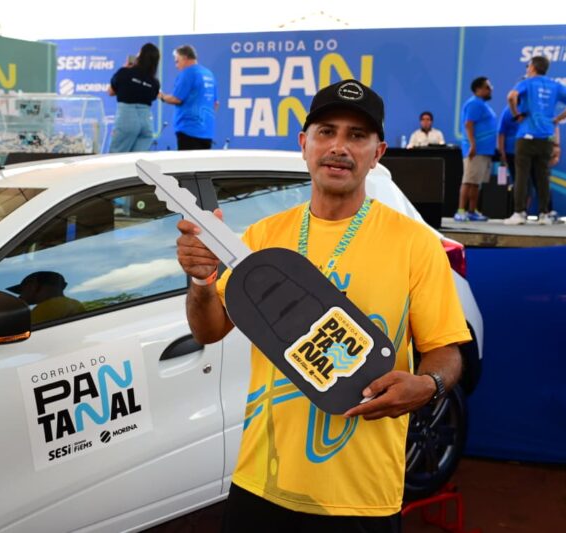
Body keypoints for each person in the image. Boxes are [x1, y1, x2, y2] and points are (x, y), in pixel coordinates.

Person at [175, 79, 471, 532]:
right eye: (326, 131)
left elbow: (447, 349)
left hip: (362, 497)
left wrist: (427, 386)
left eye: (357, 136)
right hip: (261, 482)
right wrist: (200, 281)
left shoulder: (415, 244)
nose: (339, 147)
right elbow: (209, 329)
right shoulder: (262, 237)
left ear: (378, 153)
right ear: (304, 144)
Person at [503, 55, 566, 226]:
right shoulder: (555, 85)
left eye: (527, 66)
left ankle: (519, 213)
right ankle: (544, 214)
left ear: (532, 67)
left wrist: (516, 114)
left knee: (522, 177)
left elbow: (511, 96)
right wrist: (558, 118)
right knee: (543, 177)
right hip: (546, 137)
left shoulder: (527, 82)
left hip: (526, 137)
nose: (526, 69)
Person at [158, 44, 218, 150]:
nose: (176, 66)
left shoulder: (188, 73)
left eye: (177, 61)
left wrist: (161, 96)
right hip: (207, 131)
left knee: (188, 166)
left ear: (185, 58)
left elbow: (176, 99)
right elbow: (215, 104)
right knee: (203, 165)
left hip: (189, 130)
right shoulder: (209, 74)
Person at [454, 77, 496, 222]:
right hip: (475, 150)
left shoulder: (481, 104)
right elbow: (468, 124)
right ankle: (461, 211)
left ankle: (472, 211)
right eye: (488, 87)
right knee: (468, 180)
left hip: (484, 150)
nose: (491, 89)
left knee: (476, 183)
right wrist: (472, 145)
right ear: (478, 89)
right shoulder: (474, 104)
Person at [107, 43, 161, 153]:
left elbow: (110, 92)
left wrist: (125, 68)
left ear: (140, 56)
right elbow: (153, 96)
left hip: (126, 119)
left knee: (115, 159)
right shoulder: (155, 82)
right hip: (146, 122)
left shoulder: (124, 73)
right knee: (138, 162)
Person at [8, 271, 85, 324]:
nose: (20, 296)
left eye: (22, 290)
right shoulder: (75, 304)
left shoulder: (47, 307)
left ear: (33, 286)